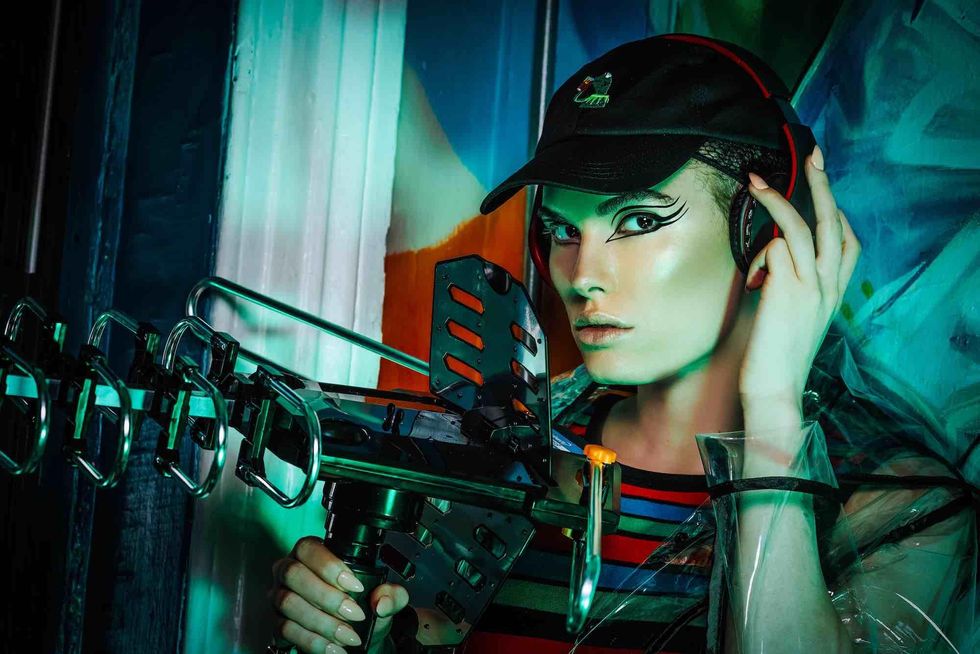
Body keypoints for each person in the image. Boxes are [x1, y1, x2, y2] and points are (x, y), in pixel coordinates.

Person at [268, 35, 977, 653]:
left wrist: (770, 409)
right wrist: (365, 631)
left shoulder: (900, 508)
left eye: (637, 221)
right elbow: (421, 625)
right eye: (562, 230)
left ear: (762, 233)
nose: (582, 276)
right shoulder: (501, 454)